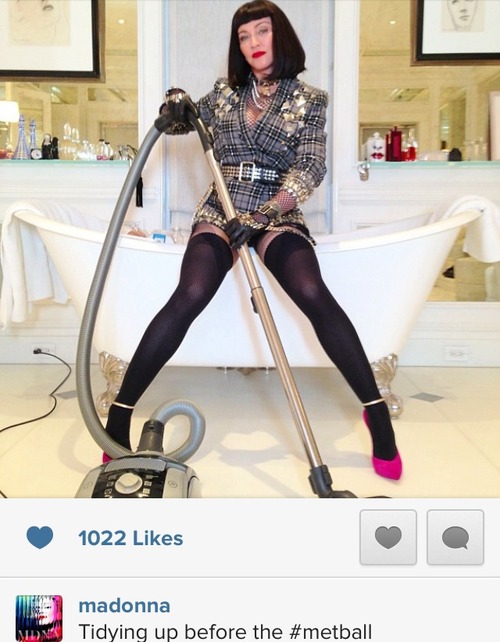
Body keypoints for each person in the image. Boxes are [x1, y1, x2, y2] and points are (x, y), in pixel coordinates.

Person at [104, 0, 402, 481]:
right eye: (244, 36)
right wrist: (174, 103)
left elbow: (311, 167)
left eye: (262, 31)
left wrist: (265, 214)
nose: (253, 43)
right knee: (190, 293)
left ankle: (376, 411)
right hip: (222, 205)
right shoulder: (225, 93)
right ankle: (120, 411)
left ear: (279, 35)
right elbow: (180, 124)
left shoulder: (310, 99)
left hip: (276, 207)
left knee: (311, 291)